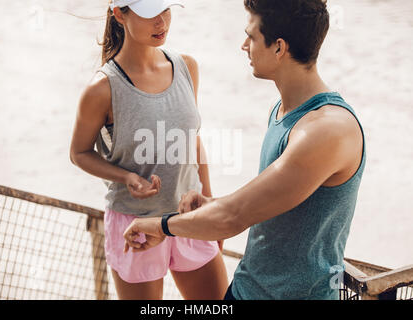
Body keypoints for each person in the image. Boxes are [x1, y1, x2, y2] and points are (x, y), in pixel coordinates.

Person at [123, 0, 366, 300]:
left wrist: (161, 226)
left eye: (251, 37)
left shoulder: (326, 131)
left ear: (279, 48)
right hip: (244, 291)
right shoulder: (282, 111)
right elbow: (269, 204)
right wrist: (213, 202)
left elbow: (233, 218)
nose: (243, 45)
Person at [70, 0, 228, 300]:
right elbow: (79, 153)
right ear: (119, 14)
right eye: (149, 13)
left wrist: (211, 206)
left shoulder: (187, 67)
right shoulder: (102, 88)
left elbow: (193, 141)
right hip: (135, 226)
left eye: (165, 9)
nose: (161, 22)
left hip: (190, 218)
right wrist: (125, 177)